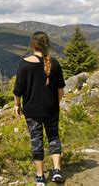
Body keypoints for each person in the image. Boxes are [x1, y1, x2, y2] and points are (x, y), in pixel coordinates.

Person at [13, 31, 66, 185]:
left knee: (36, 141)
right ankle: (57, 170)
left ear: (32, 44)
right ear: (47, 44)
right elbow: (60, 90)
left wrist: (17, 105)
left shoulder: (24, 64)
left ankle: (40, 177)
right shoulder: (54, 63)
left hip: (32, 112)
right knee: (53, 137)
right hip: (51, 109)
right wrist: (54, 103)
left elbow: (18, 91)